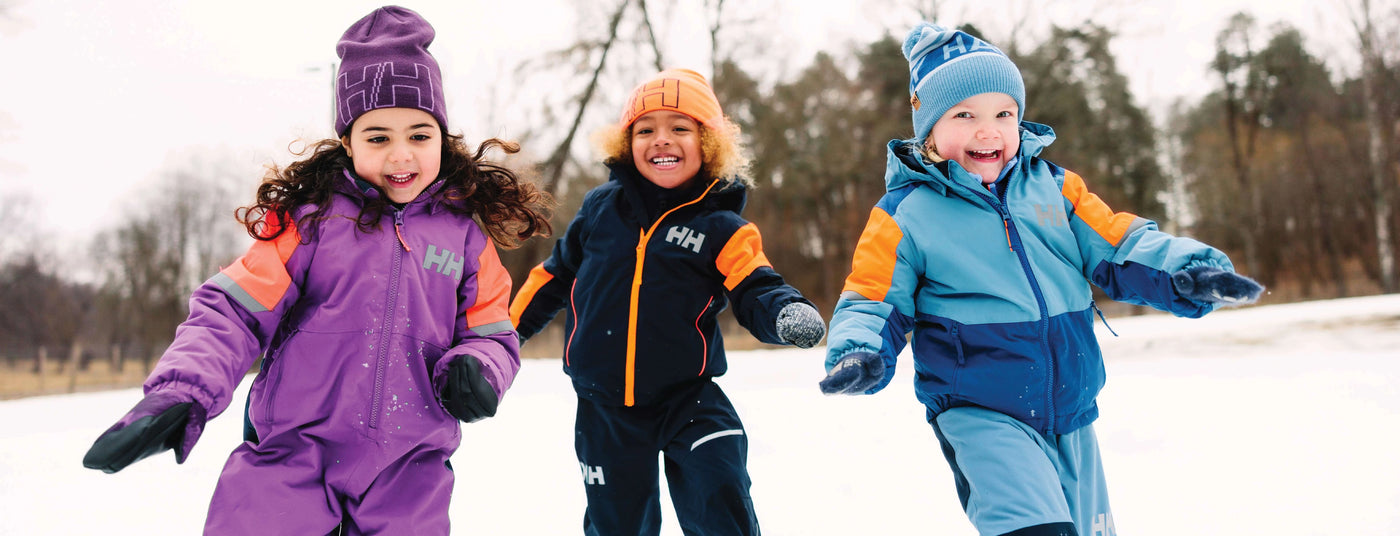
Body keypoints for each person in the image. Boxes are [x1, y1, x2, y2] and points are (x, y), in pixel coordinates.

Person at [81, 6, 552, 534]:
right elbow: (232, 313)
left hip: (408, 474)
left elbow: (493, 332)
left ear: (443, 138)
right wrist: (182, 390)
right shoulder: (311, 223)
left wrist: (478, 366)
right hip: (290, 462)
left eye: (420, 135)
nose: (402, 155)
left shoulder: (466, 239)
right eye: (378, 138)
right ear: (348, 144)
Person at [818, 22, 1264, 536]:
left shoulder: (1055, 190)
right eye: (965, 115)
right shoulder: (907, 214)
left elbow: (1122, 245)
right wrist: (859, 349)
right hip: (981, 411)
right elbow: (872, 296)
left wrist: (1187, 273)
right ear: (930, 130)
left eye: (1003, 114)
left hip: (1072, 409)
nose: (989, 131)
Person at [509, 68, 826, 536]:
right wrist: (502, 335)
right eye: (645, 129)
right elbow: (553, 276)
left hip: (688, 397)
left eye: (680, 128)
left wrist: (784, 312)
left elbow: (756, 285)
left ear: (710, 144)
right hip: (605, 405)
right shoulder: (600, 210)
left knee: (720, 490)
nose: (662, 140)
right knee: (618, 524)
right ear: (625, 142)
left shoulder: (722, 228)